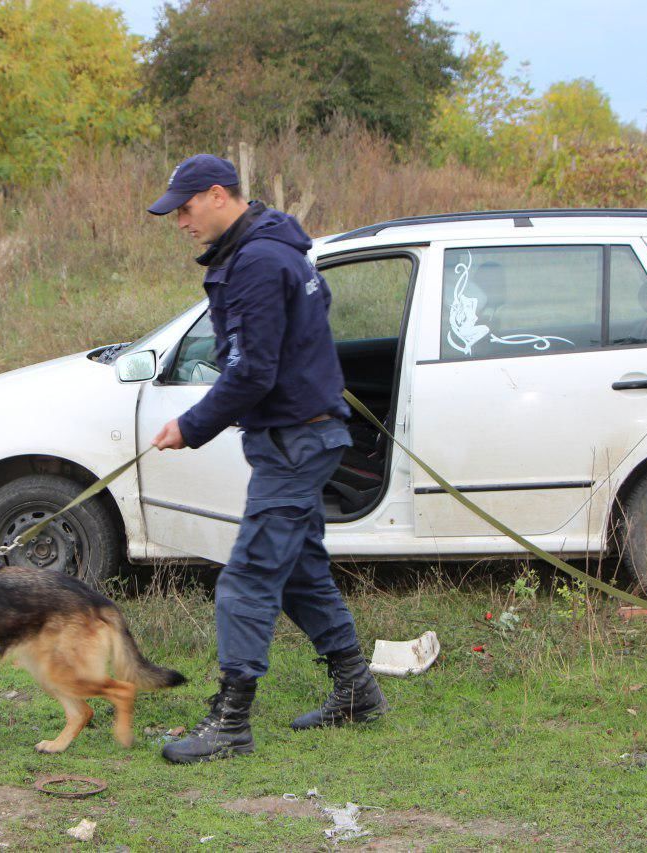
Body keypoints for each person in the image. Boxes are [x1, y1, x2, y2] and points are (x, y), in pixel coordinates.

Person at [146, 154, 387, 764]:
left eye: (186, 206)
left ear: (220, 194)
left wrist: (190, 425)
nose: (179, 220)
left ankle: (230, 723)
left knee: (249, 576)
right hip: (299, 434)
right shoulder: (279, 250)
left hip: (296, 442)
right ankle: (357, 690)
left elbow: (251, 370)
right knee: (300, 570)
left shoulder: (256, 261)